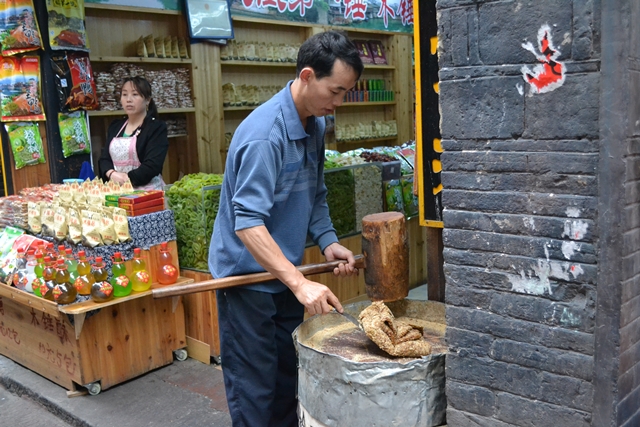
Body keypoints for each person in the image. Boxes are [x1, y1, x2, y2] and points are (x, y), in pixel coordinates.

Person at [209, 30, 363, 427]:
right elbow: (247, 223)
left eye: (345, 93)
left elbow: (314, 192)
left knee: (288, 381)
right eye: (335, 91)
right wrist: (299, 283)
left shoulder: (315, 124)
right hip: (246, 280)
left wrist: (327, 241)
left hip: (284, 274)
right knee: (255, 391)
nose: (338, 103)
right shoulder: (265, 135)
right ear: (307, 76)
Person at [98, 76, 168, 190]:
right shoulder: (115, 127)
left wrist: (127, 179)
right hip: (117, 191)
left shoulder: (156, 128)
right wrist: (111, 174)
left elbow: (152, 165)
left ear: (147, 100)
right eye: (124, 94)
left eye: (135, 94)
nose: (128, 99)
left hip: (147, 191)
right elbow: (104, 159)